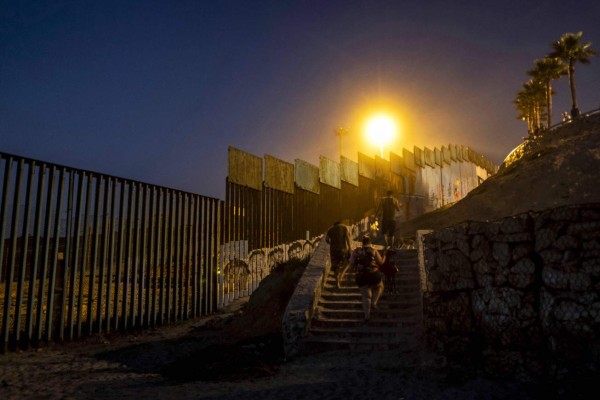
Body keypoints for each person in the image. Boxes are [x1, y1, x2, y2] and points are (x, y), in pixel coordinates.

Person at [350, 235, 385, 322]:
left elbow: (351, 264)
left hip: (361, 276)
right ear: (370, 243)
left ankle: (367, 316)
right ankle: (374, 302)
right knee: (380, 286)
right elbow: (380, 263)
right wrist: (384, 257)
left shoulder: (356, 251)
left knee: (366, 297)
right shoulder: (373, 250)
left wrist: (352, 274)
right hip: (373, 274)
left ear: (362, 243)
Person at [325, 220, 353, 289]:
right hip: (342, 249)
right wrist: (350, 248)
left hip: (333, 251)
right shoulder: (344, 227)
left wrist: (331, 244)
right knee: (348, 262)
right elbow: (347, 238)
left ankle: (337, 282)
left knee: (336, 266)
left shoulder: (330, 230)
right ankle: (341, 275)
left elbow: (326, 239)